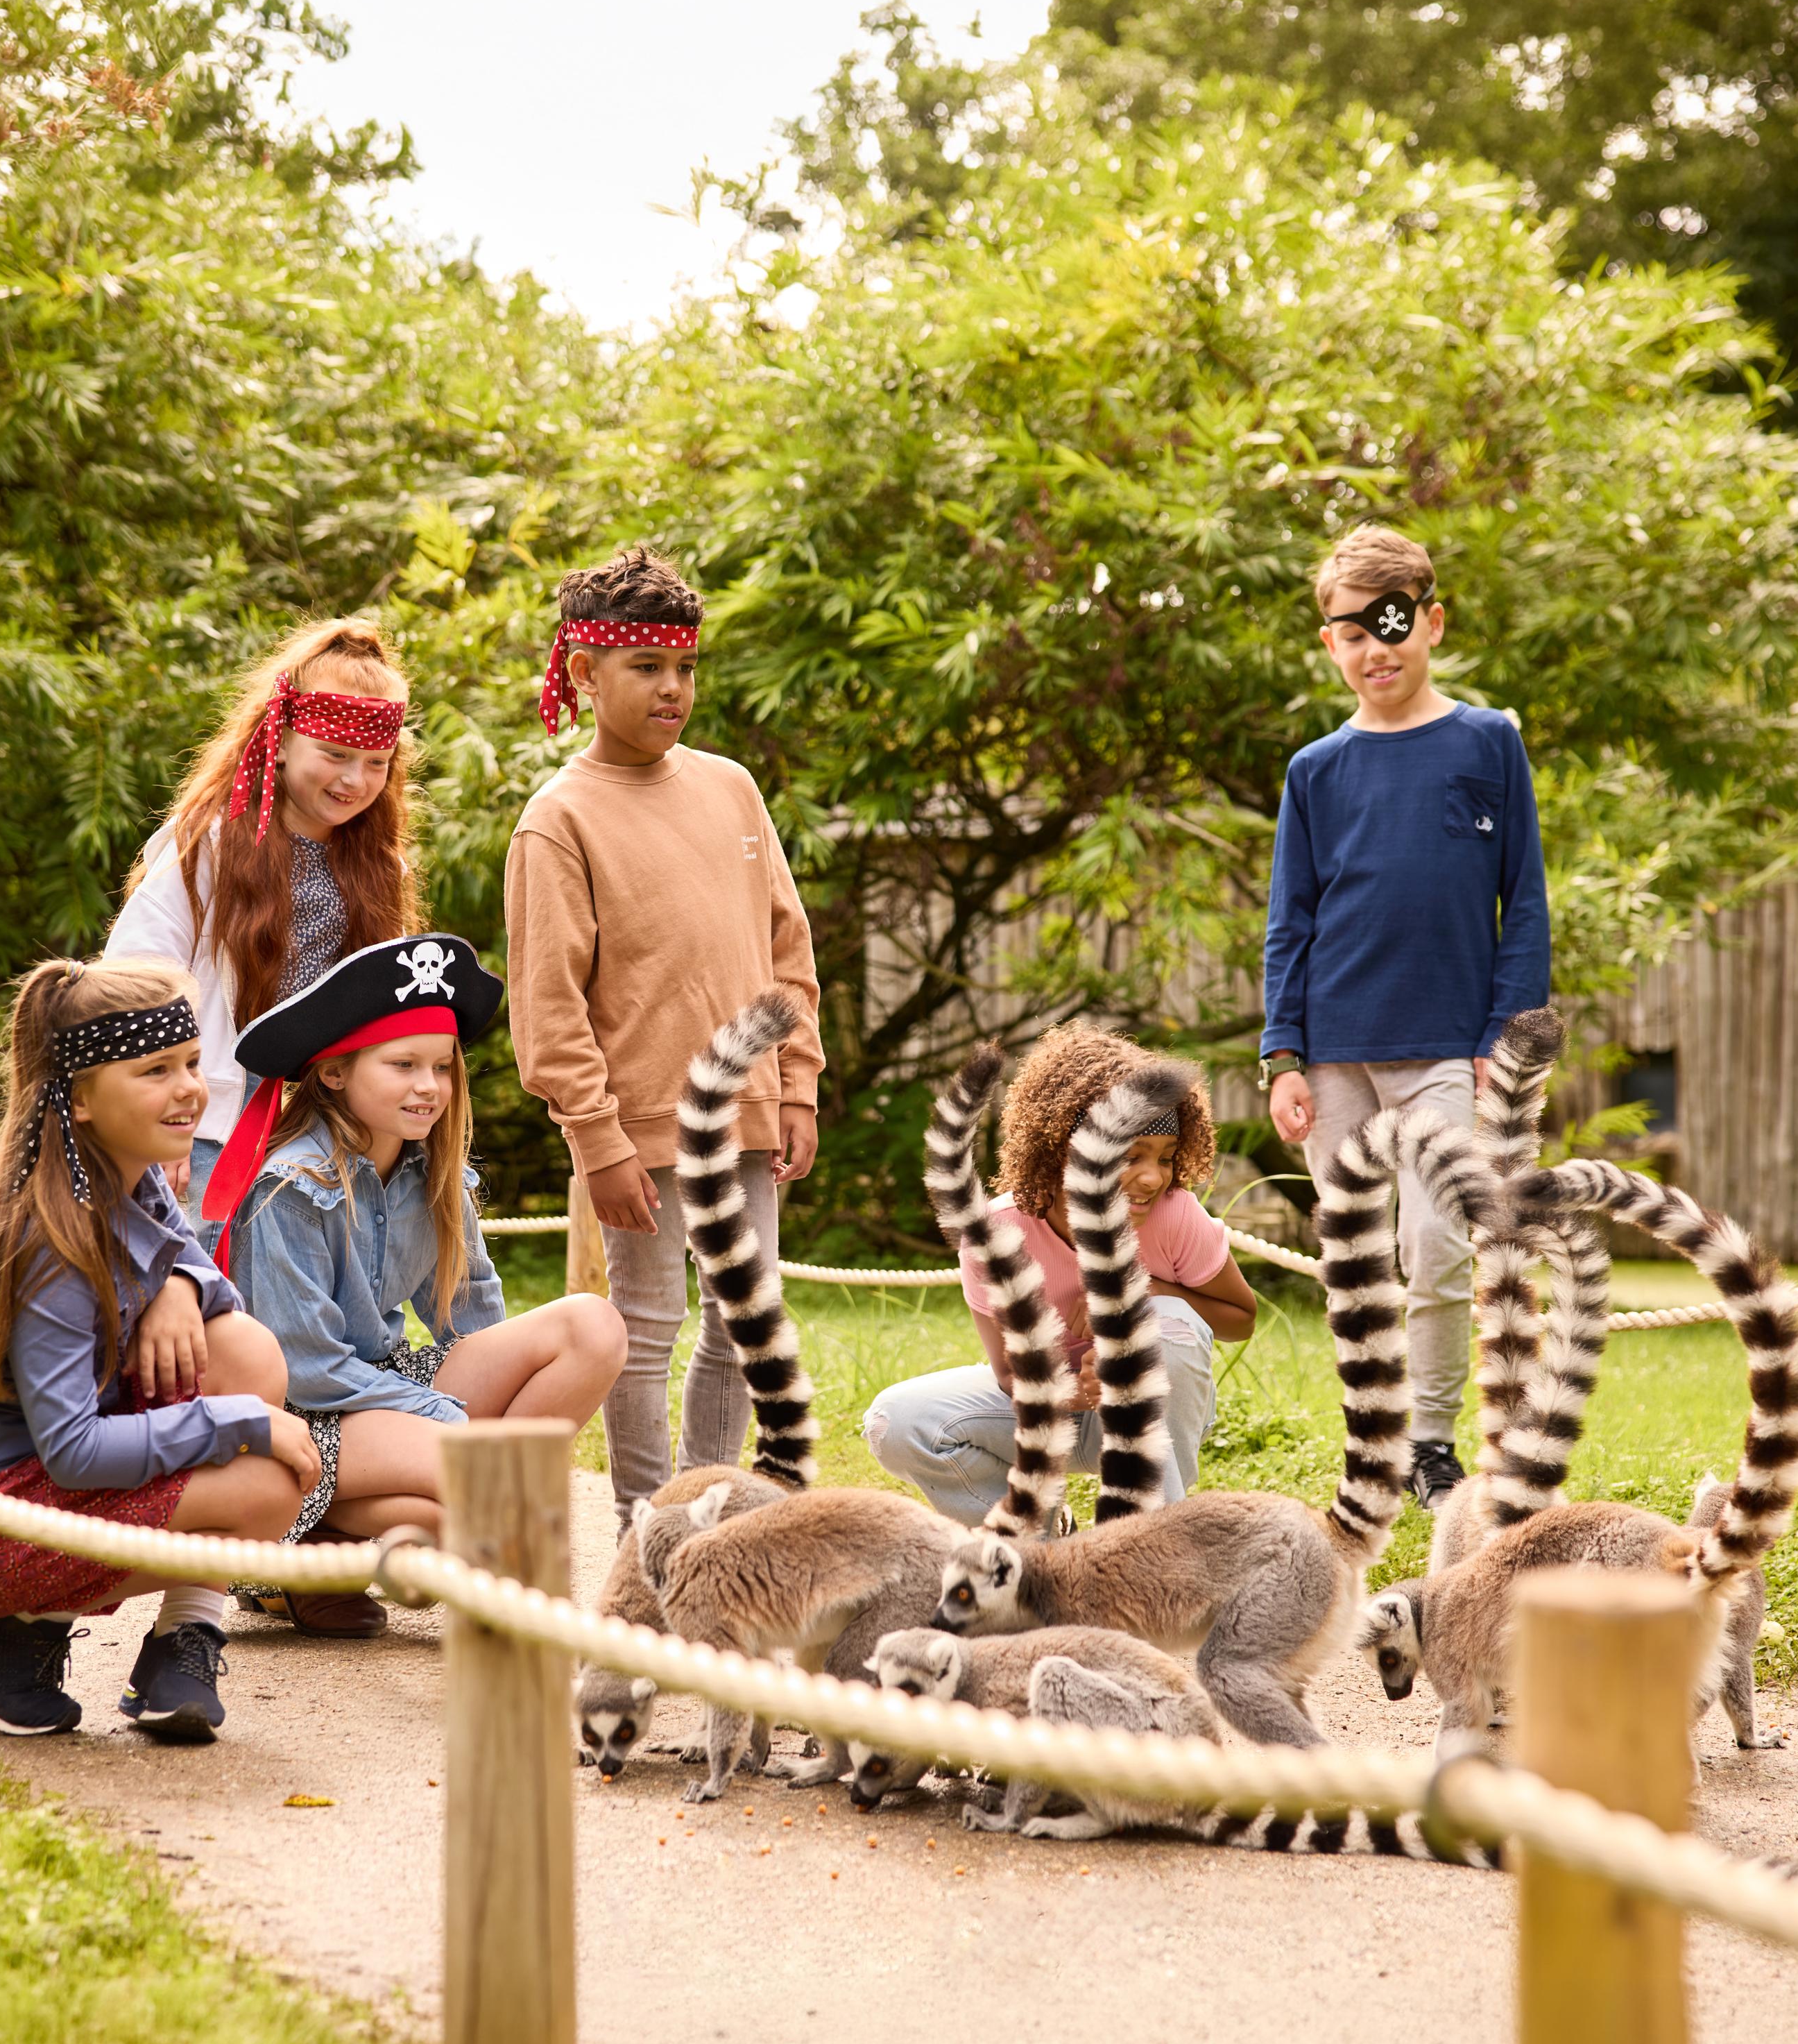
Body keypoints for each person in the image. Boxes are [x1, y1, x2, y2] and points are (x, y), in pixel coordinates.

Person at [0, 956, 320, 1746]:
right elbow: (74, 1455)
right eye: (154, 1070)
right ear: (81, 1100)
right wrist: (240, 1424)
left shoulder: (124, 1173)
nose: (189, 1087)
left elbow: (198, 1279)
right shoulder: (51, 1242)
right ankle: (12, 1617)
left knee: (245, 1354)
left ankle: (177, 1647)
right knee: (264, 1486)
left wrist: (180, 1287)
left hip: (29, 1494)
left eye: (192, 1063)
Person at [503, 544, 825, 1526]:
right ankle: (647, 1522)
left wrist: (798, 1082)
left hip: (753, 1113)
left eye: (686, 667)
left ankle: (710, 1511)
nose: (673, 688)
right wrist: (596, 1142)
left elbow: (786, 942)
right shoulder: (557, 822)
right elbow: (549, 1008)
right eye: (647, 669)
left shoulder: (732, 789)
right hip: (639, 1129)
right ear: (582, 673)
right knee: (646, 1328)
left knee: (743, 1323)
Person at [207, 932, 626, 1628]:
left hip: (384, 1389)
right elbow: (306, 1370)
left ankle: (426, 1530)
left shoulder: (435, 1176)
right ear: (335, 1072)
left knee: (593, 1325)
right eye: (402, 1065)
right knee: (461, 1488)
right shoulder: (290, 1187)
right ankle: (331, 1543)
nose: (428, 1087)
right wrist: (454, 1423)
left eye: (441, 1066)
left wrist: (469, 1422)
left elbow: (473, 1322)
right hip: (307, 1416)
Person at [1260, 523, 1552, 1506]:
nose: (1375, 648)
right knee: (1355, 1257)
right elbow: (1289, 919)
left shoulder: (1488, 744)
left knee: (1435, 1242)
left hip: (1446, 1052)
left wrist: (1506, 1036)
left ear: (1431, 621)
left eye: (1393, 625)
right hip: (1335, 1051)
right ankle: (1372, 1436)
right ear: (1329, 644)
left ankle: (1429, 1438)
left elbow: (1527, 902)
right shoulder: (1316, 771)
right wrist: (1283, 1053)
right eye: (1353, 632)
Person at [106, 618, 416, 1254]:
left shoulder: (383, 868)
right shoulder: (209, 844)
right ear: (278, 740)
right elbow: (134, 979)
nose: (354, 780)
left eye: (375, 763)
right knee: (194, 1284)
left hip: (324, 1115)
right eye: (334, 755)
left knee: (297, 1298)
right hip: (211, 1108)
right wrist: (156, 1121)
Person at [864, 1025, 1256, 1522]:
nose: (1154, 1177)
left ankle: (1153, 1536)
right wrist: (1079, 1392)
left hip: (1155, 1411)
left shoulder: (1175, 1216)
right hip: (1051, 1409)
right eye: (1130, 1156)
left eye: (1164, 1158)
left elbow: (1240, 1318)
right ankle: (1038, 1543)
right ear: (1063, 1150)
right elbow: (1008, 1374)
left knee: (1167, 1316)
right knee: (897, 1422)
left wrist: (1146, 1290)